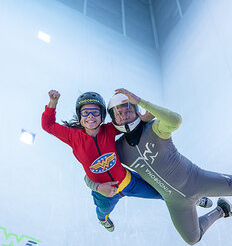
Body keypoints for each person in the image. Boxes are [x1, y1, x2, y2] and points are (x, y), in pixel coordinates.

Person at [84, 89, 232, 245]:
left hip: (196, 179)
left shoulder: (154, 129)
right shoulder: (119, 149)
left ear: (137, 111)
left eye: (128, 110)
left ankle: (203, 199)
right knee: (193, 238)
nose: (124, 116)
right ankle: (222, 210)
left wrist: (142, 102)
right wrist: (97, 186)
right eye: (119, 113)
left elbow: (175, 120)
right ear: (113, 119)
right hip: (175, 202)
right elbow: (91, 172)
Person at [42, 90, 212, 232]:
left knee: (163, 192)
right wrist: (52, 103)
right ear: (80, 116)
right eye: (86, 113)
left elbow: (128, 124)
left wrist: (144, 117)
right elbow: (48, 125)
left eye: (95, 112)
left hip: (129, 182)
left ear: (102, 116)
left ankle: (194, 198)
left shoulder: (109, 130)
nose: (91, 117)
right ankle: (103, 220)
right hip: (104, 194)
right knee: (103, 211)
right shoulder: (72, 137)